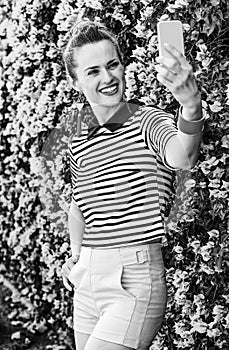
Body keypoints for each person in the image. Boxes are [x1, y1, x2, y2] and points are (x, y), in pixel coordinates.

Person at [61, 20, 205, 350]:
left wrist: (191, 103)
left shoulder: (148, 120)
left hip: (134, 280)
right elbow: (78, 205)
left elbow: (182, 156)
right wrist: (76, 254)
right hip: (87, 281)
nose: (108, 78)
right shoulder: (80, 140)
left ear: (123, 66)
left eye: (112, 65)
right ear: (74, 81)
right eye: (93, 71)